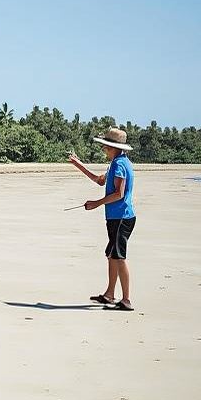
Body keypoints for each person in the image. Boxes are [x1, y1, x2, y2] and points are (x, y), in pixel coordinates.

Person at [68, 127, 137, 311]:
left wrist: (96, 203)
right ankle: (109, 294)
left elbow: (119, 194)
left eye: (106, 147)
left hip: (121, 217)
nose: (104, 150)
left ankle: (126, 299)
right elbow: (100, 180)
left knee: (119, 257)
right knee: (112, 255)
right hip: (116, 217)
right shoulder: (117, 162)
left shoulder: (120, 164)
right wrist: (78, 164)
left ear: (114, 148)